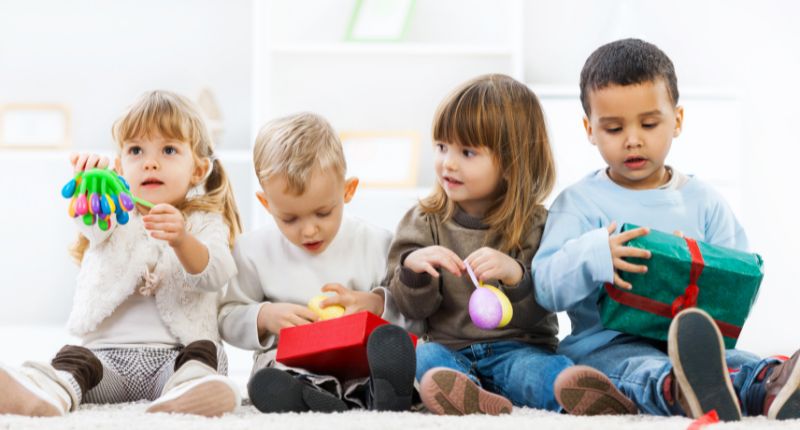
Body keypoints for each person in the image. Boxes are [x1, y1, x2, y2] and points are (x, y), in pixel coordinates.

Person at [534, 38, 800, 421]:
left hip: (696, 344)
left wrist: (699, 264)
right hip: (608, 344)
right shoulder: (579, 203)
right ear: (589, 129)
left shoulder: (704, 201)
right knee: (635, 368)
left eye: (649, 123)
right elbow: (544, 288)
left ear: (676, 120)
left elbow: (740, 287)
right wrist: (596, 254)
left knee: (739, 361)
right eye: (613, 128)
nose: (633, 139)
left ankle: (772, 385)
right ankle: (678, 391)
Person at [0, 90, 242, 417]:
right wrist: (91, 186)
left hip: (175, 358)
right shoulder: (114, 211)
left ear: (198, 170)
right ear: (119, 164)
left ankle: (187, 394)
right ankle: (47, 392)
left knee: (203, 357)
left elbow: (218, 273)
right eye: (136, 150)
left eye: (169, 149)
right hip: (106, 362)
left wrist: (183, 239)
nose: (150, 162)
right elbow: (93, 224)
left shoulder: (204, 222)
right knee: (73, 361)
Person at [386, 74, 572, 415]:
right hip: (449, 349)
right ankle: (463, 394)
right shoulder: (423, 220)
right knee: (424, 357)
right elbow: (411, 310)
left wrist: (516, 274)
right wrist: (414, 272)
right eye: (442, 147)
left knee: (544, 372)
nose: (448, 163)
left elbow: (545, 302)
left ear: (511, 162)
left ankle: (573, 391)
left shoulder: (536, 225)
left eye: (467, 152)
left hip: (520, 350)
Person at [218, 112, 416, 413]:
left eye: (323, 213)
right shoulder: (252, 250)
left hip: (357, 361)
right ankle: (314, 396)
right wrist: (264, 316)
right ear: (265, 203)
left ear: (347, 190)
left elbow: (414, 315)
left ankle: (381, 392)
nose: (309, 230)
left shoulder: (378, 243)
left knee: (385, 354)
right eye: (290, 218)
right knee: (269, 373)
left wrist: (375, 304)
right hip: (291, 363)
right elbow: (227, 316)